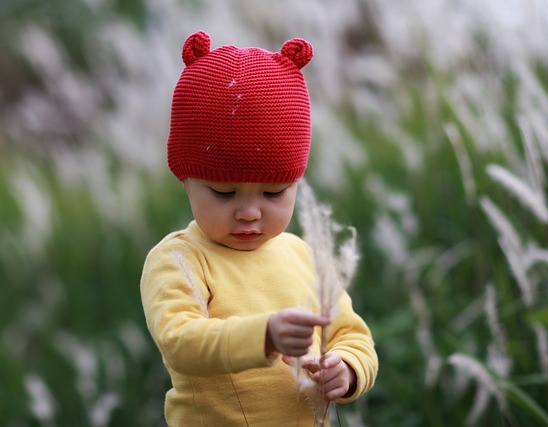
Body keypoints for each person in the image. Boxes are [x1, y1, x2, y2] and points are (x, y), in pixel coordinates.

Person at [140, 30, 378, 426]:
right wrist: (264, 335)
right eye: (224, 192)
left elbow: (353, 335)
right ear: (185, 180)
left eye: (273, 193)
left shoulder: (303, 255)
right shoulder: (180, 260)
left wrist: (349, 369)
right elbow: (179, 342)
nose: (249, 212)